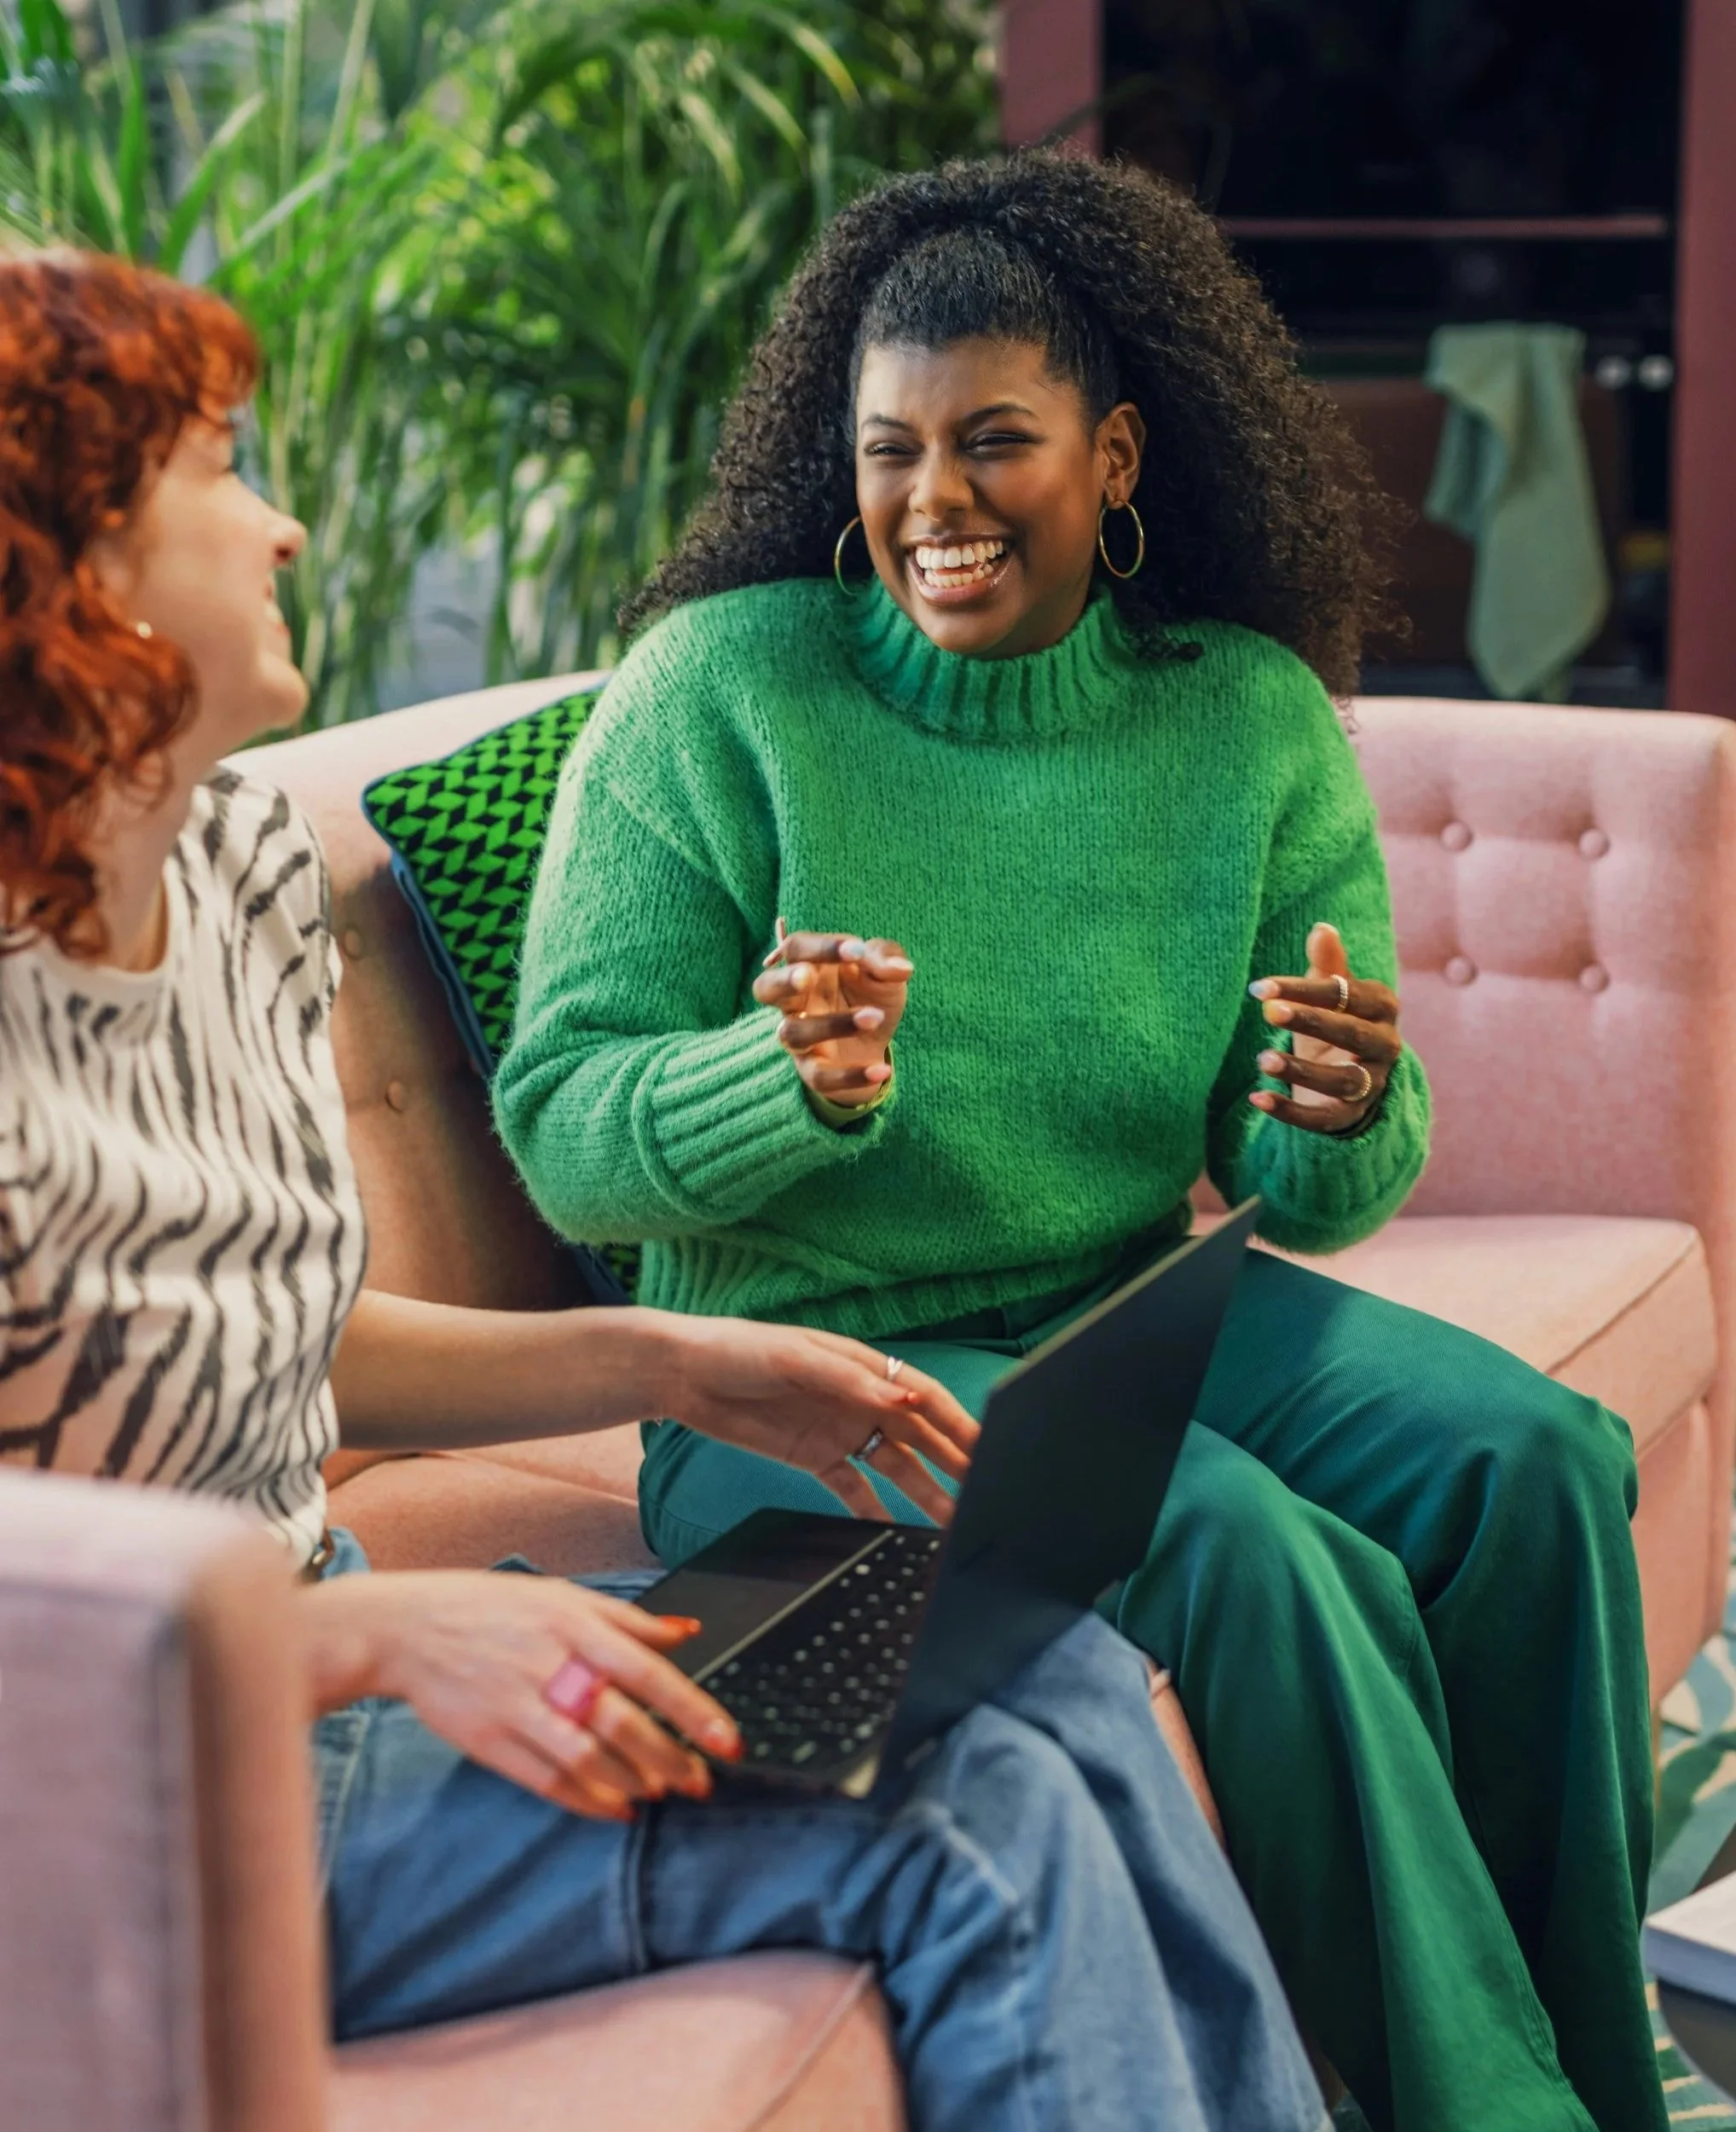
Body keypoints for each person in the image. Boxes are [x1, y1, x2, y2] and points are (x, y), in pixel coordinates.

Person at [0, 248, 1334, 2132]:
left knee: (1063, 1671)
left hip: (316, 1671)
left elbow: (283, 1341)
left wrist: (679, 1362)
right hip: (110, 1807)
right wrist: (369, 1634)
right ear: (66, 571)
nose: (284, 525)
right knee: (969, 1816)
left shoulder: (233, 873)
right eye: (217, 473)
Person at [496, 150, 1668, 2132]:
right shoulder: (718, 690)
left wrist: (1333, 1109)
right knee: (1232, 1543)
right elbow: (562, 1133)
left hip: (1122, 1315)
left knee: (1530, 1456)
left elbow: (1308, 1176)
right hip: (792, 1381)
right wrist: (775, 1081)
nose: (931, 499)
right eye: (890, 449)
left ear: (1112, 455)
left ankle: (1595, 2072)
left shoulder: (1244, 719)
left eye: (993, 441)